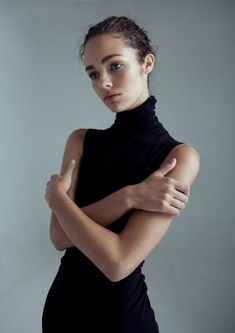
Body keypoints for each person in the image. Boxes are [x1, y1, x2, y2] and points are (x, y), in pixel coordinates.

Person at [42, 16, 200, 333]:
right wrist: (130, 196)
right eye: (93, 74)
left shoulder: (178, 157)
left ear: (147, 63)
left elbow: (117, 263)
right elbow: (59, 239)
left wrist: (59, 201)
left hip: (120, 319)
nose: (104, 83)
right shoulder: (80, 140)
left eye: (114, 65)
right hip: (62, 312)